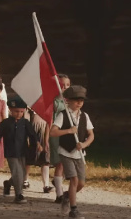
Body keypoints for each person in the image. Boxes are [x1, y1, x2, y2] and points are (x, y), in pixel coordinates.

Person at [49, 85, 95, 218]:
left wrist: (84, 144)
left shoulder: (85, 116)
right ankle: (73, 210)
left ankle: (67, 196)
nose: (79, 103)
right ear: (68, 100)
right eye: (76, 100)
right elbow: (53, 132)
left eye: (81, 100)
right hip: (65, 152)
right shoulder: (63, 115)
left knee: (81, 183)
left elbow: (91, 135)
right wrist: (68, 131)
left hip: (79, 153)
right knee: (74, 179)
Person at [0, 96, 41, 204]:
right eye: (16, 111)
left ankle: (8, 183)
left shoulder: (25, 123)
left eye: (21, 112)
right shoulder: (6, 123)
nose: (19, 114)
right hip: (11, 151)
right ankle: (18, 194)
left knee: (22, 172)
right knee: (17, 172)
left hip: (23, 151)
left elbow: (32, 135)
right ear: (10, 110)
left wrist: (38, 143)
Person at [51, 73, 71, 202]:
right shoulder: (53, 102)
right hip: (56, 135)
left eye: (67, 85)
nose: (64, 87)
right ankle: (59, 194)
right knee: (60, 163)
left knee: (65, 164)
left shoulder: (72, 101)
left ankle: (57, 182)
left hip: (69, 135)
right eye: (61, 85)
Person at [24, 109, 53, 193]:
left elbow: (49, 123)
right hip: (31, 132)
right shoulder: (28, 110)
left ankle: (46, 185)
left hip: (43, 131)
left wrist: (46, 140)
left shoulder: (47, 108)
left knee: (45, 158)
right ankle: (25, 180)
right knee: (28, 158)